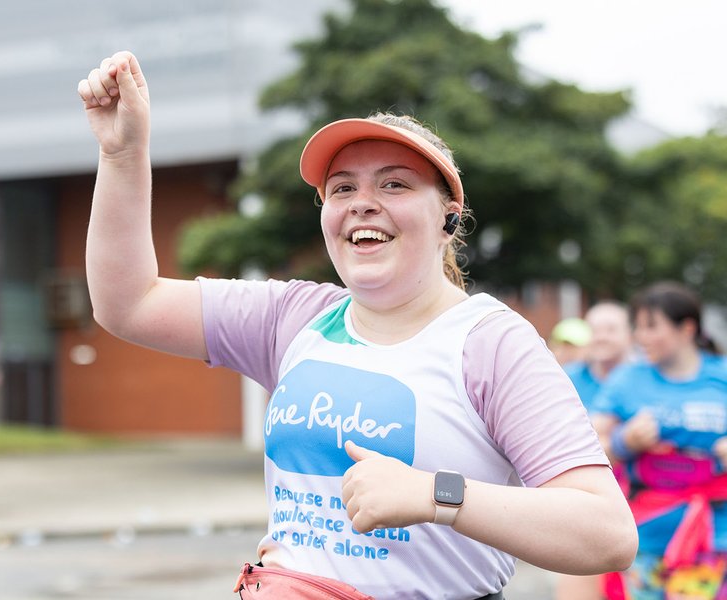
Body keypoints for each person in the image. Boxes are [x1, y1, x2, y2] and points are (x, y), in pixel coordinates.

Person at [77, 51, 637, 600]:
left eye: (394, 184)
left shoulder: (490, 343)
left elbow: (606, 534)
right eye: (343, 188)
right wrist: (124, 153)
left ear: (448, 218)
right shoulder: (294, 316)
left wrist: (436, 496)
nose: (363, 203)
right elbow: (127, 303)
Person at [590, 282, 727, 599]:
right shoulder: (627, 380)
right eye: (638, 327)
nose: (641, 337)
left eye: (651, 326)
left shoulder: (721, 375)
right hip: (645, 537)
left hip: (712, 538)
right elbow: (585, 449)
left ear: (687, 328)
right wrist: (624, 442)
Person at [555, 302, 634, 600]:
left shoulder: (645, 377)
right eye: (595, 330)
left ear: (629, 335)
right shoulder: (567, 377)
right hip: (582, 503)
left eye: (611, 330)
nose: (601, 337)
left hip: (641, 504)